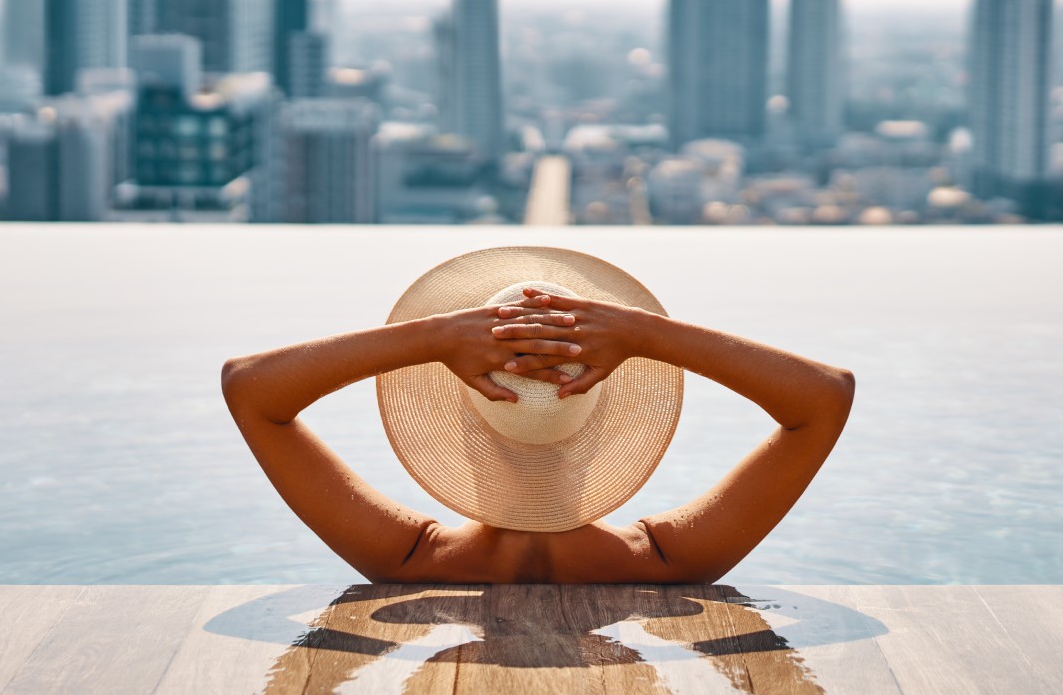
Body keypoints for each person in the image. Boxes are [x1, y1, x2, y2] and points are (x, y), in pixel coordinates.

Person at [222, 246, 854, 584]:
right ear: (604, 425)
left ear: (459, 431)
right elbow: (824, 396)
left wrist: (433, 338)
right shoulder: (667, 561)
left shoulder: (409, 559)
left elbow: (250, 388)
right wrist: (645, 334)